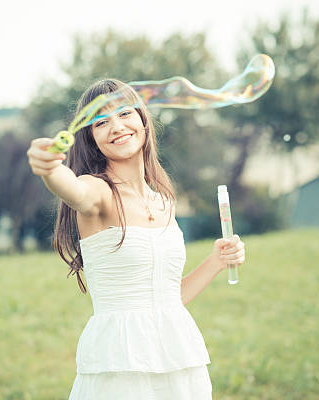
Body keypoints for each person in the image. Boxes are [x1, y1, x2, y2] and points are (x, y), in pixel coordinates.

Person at [26, 78, 245, 399]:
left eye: (124, 113)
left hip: (177, 357)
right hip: (121, 362)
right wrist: (48, 167)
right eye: (101, 122)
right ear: (91, 139)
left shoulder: (165, 201)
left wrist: (216, 261)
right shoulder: (97, 191)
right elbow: (72, 189)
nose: (115, 126)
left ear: (143, 120)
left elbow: (168, 299)